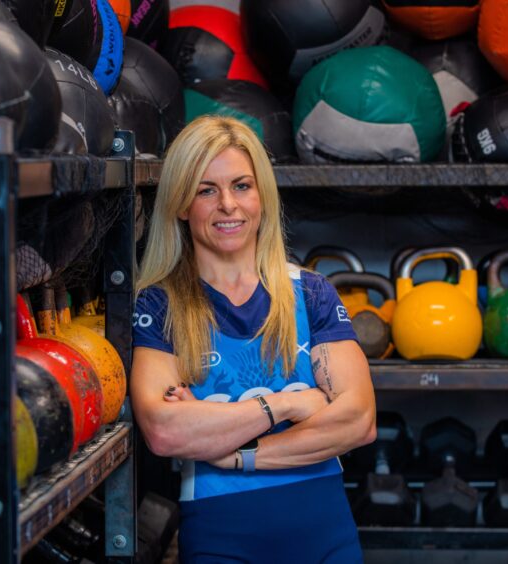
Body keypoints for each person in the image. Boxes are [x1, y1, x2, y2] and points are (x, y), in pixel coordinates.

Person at [131, 115, 377, 563]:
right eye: (207, 190)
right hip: (221, 537)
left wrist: (234, 453)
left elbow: (358, 420)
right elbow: (165, 431)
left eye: (242, 186)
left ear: (262, 196)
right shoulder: (158, 305)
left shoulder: (311, 292)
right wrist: (284, 405)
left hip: (326, 531)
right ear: (182, 204)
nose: (228, 204)